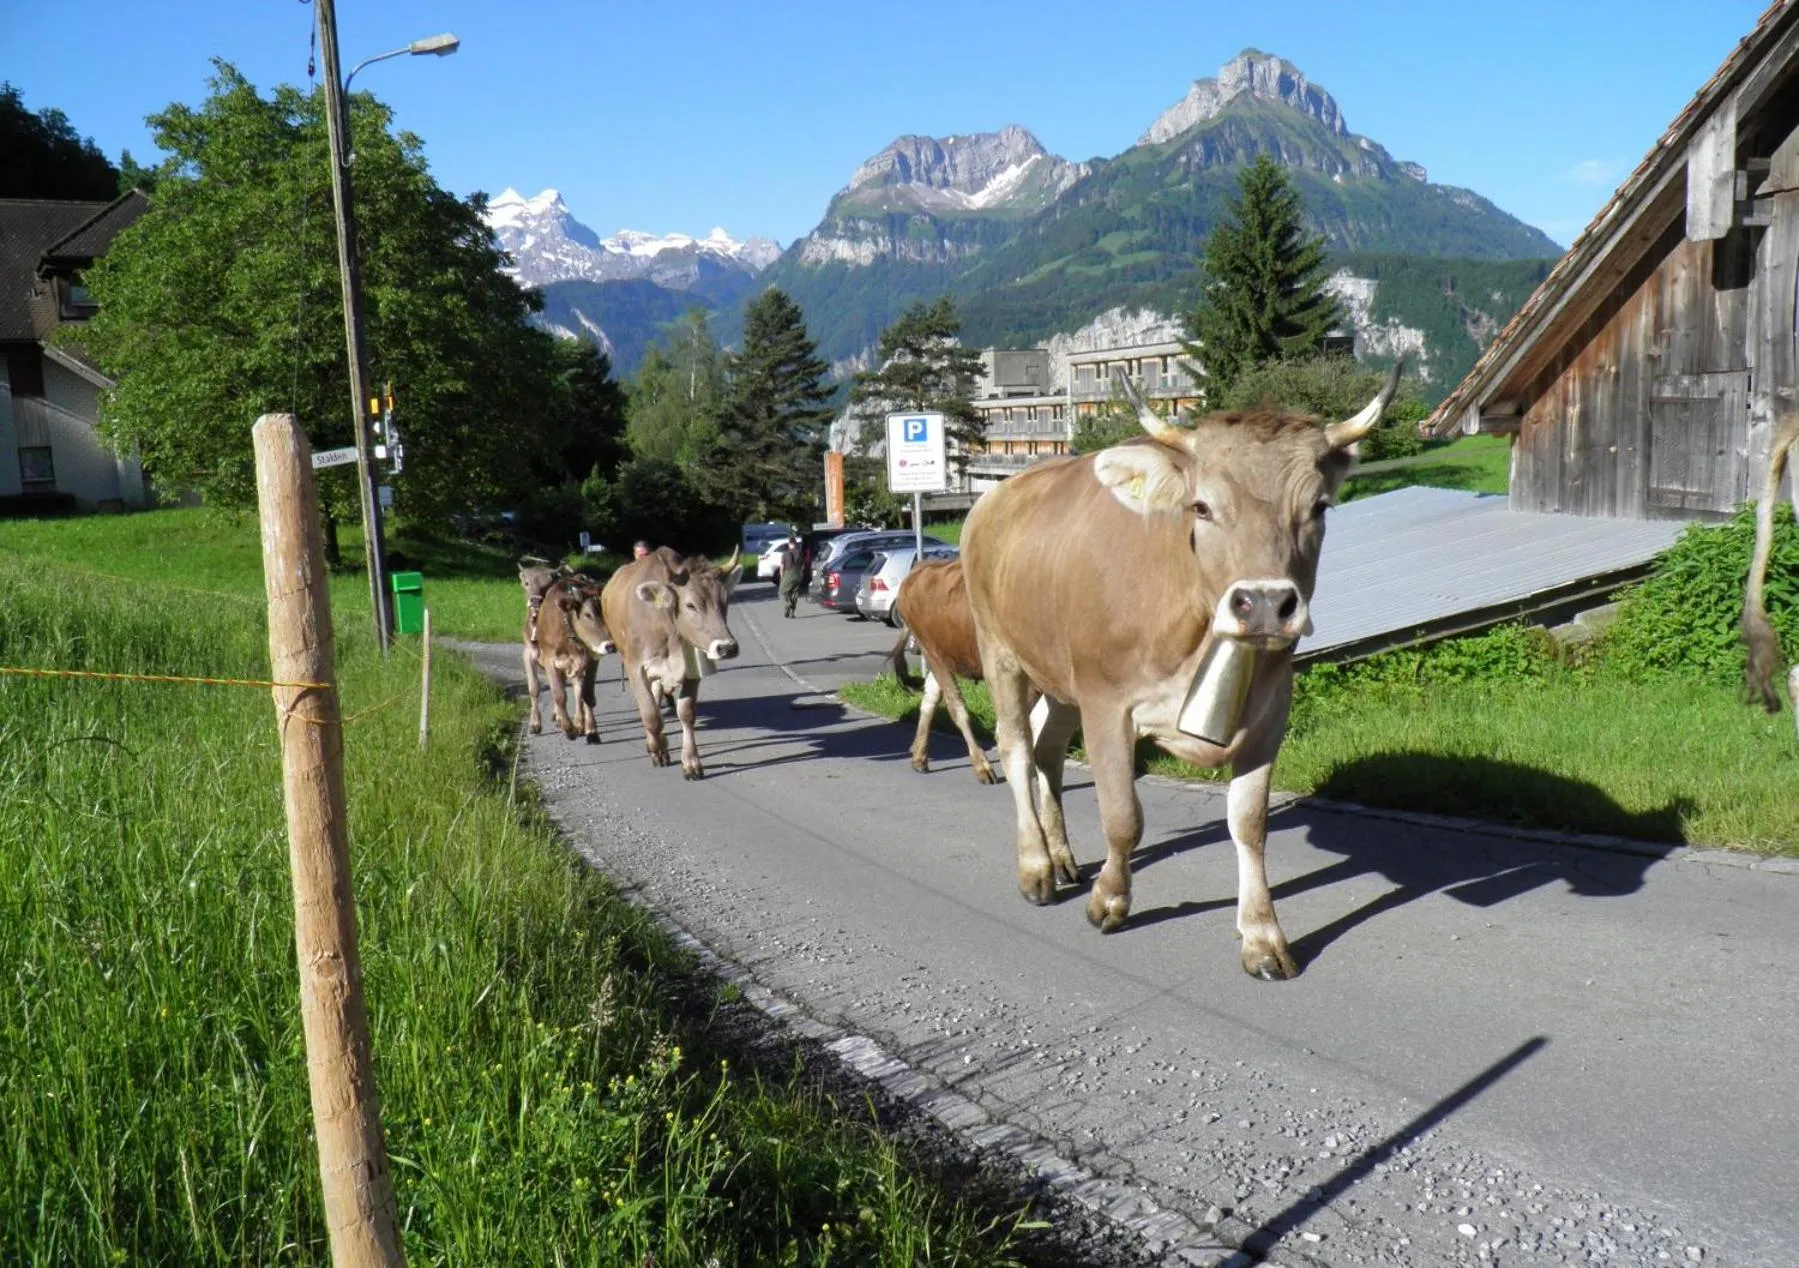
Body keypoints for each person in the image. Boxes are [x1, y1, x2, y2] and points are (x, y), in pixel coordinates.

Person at [777, 533, 804, 618]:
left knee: (782, 592)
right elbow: (803, 566)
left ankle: (787, 605)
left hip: (788, 573)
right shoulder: (800, 553)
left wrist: (782, 577)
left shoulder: (785, 553)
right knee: (794, 594)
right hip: (798, 574)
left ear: (789, 544)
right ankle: (792, 613)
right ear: (795, 543)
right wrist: (801, 576)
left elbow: (782, 567)